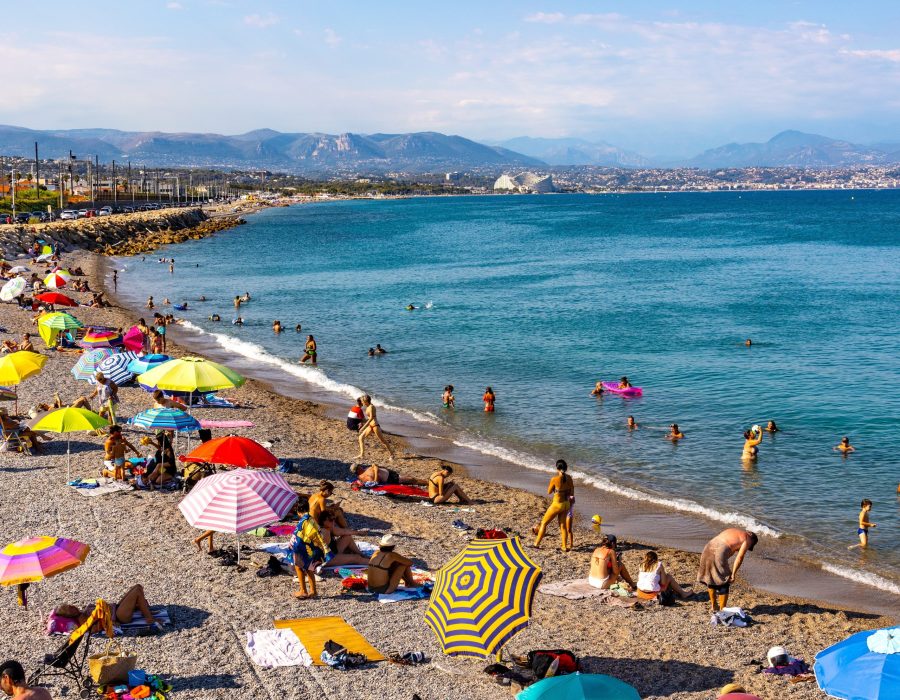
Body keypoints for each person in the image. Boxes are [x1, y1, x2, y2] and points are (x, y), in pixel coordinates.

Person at [54, 584, 161, 632]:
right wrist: (110, 624)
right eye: (70, 608)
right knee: (137, 591)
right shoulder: (81, 619)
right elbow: (94, 628)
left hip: (116, 608)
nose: (73, 606)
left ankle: (141, 609)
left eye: (70, 605)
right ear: (70, 615)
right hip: (119, 616)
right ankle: (149, 618)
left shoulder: (82, 612)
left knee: (138, 587)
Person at [697, 528, 758, 611]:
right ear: (752, 538)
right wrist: (733, 574)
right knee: (724, 581)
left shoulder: (734, 531)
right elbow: (739, 558)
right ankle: (723, 610)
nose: (748, 547)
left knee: (711, 578)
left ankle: (714, 606)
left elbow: (728, 545)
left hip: (708, 547)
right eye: (750, 546)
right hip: (718, 551)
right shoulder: (748, 539)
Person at [289, 502, 331, 599]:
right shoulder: (311, 519)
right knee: (309, 569)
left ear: (299, 511)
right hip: (310, 547)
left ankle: (303, 591)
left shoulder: (305, 520)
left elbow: (302, 535)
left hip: (302, 546)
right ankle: (313, 591)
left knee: (298, 567)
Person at [533, 459, 574, 551]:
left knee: (544, 523)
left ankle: (536, 543)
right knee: (563, 526)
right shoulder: (570, 478)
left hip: (557, 504)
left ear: (557, 468)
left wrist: (557, 490)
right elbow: (572, 493)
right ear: (566, 468)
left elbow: (549, 492)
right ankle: (564, 546)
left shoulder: (555, 479)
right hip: (566, 504)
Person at [357, 394, 395, 460]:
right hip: (370, 426)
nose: (362, 402)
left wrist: (363, 427)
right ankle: (362, 455)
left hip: (375, 426)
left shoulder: (371, 407)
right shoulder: (368, 406)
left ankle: (392, 454)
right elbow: (368, 418)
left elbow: (371, 418)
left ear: (366, 401)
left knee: (383, 441)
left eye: (362, 401)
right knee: (361, 437)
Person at [350, 463, 427, 487]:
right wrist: (376, 471)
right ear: (358, 469)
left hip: (390, 473)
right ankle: (428, 483)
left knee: (410, 478)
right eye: (359, 466)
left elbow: (373, 466)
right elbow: (375, 482)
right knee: (412, 480)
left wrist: (374, 466)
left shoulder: (364, 471)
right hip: (390, 478)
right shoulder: (364, 476)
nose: (360, 466)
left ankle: (427, 483)